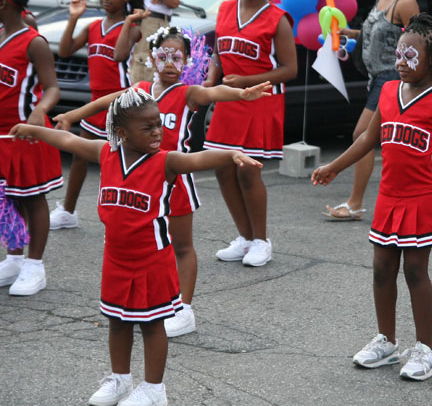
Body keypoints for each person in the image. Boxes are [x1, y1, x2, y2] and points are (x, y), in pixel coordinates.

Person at [10, 88, 262, 406]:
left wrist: (231, 155)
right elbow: (69, 142)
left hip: (152, 261)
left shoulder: (165, 162)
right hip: (115, 259)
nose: (157, 131)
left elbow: (197, 159)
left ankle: (155, 390)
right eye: (147, 127)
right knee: (117, 321)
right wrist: (33, 130)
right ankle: (120, 380)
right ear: (120, 132)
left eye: (158, 125)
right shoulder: (106, 154)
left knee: (152, 324)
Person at [53, 26, 271, 338]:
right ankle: (153, 302)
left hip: (174, 178)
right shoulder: (140, 90)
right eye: (164, 56)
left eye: (177, 57)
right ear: (153, 58)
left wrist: (240, 94)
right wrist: (73, 116)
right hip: (142, 181)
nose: (170, 63)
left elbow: (213, 93)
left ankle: (184, 309)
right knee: (148, 246)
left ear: (187, 62)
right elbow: (108, 103)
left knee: (181, 246)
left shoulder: (188, 92)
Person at [311, 14, 432, 381]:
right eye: (399, 54)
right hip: (389, 199)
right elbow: (368, 139)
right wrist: (336, 166)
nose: (402, 62)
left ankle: (426, 348)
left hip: (423, 198)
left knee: (414, 271)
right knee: (381, 269)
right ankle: (387, 340)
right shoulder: (390, 92)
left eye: (412, 56)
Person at [203, 0, 297, 267]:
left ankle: (261, 241)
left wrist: (246, 80)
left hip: (260, 102)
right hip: (228, 100)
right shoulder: (227, 9)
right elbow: (218, 55)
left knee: (247, 172)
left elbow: (289, 70)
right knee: (221, 168)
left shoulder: (278, 19)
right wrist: (210, 84)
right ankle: (243, 238)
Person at [324, 0, 420, 220]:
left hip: (393, 79)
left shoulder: (405, 1)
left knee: (362, 136)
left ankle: (355, 203)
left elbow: (419, 41)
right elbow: (376, 34)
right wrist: (349, 33)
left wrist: (413, 82)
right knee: (384, 142)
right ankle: (387, 201)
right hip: (375, 77)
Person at [49, 0, 144, 230]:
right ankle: (68, 211)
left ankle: (129, 214)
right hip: (94, 103)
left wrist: (126, 23)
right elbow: (66, 50)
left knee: (123, 162)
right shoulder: (92, 27)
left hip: (119, 104)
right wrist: (73, 18)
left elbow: (118, 55)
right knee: (80, 156)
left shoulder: (133, 29)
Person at [0, 0, 62, 296]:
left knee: (32, 198)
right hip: (0, 137)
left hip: (25, 133)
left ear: (3, 2)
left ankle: (35, 266)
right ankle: (13, 258)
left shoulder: (33, 42)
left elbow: (52, 88)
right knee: (8, 200)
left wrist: (39, 112)